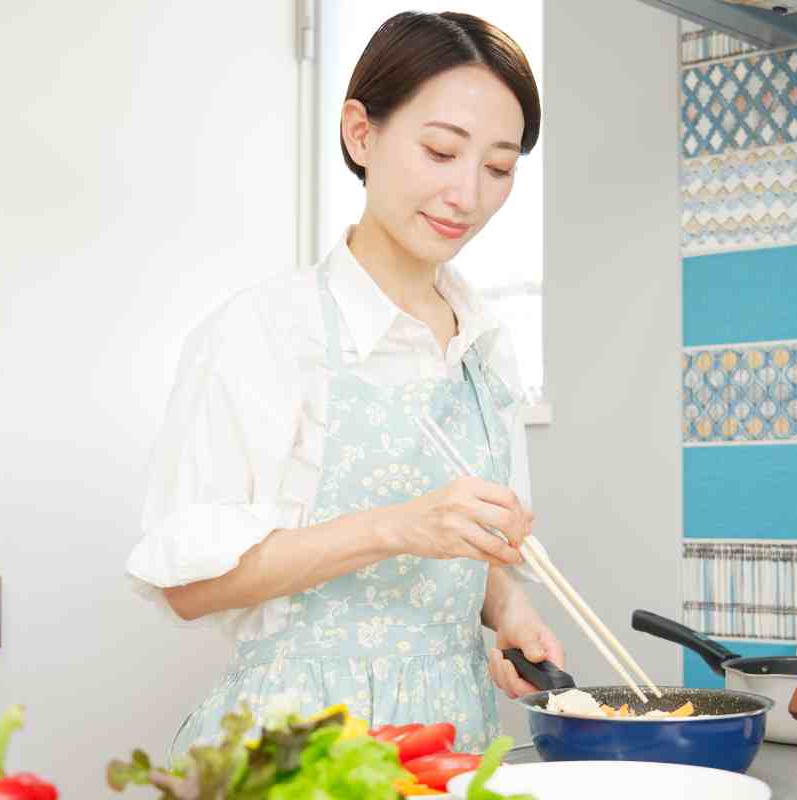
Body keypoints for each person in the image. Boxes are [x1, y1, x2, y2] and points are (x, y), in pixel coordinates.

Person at [126, 10, 564, 758]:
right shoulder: (268, 331)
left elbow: (468, 543)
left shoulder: (487, 347)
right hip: (301, 748)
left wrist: (508, 607)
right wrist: (395, 527)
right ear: (361, 134)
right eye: (440, 151)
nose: (466, 194)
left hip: (453, 742)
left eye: (497, 169)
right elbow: (189, 588)